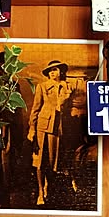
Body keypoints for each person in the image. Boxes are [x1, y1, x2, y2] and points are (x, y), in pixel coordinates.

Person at [27, 60, 85, 206]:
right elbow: (35, 109)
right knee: (40, 160)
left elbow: (74, 105)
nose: (53, 73)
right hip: (44, 127)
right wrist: (32, 128)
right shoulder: (42, 87)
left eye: (55, 70)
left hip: (61, 128)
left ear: (61, 72)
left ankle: (51, 185)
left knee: (56, 161)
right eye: (50, 71)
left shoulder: (68, 87)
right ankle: (41, 191)